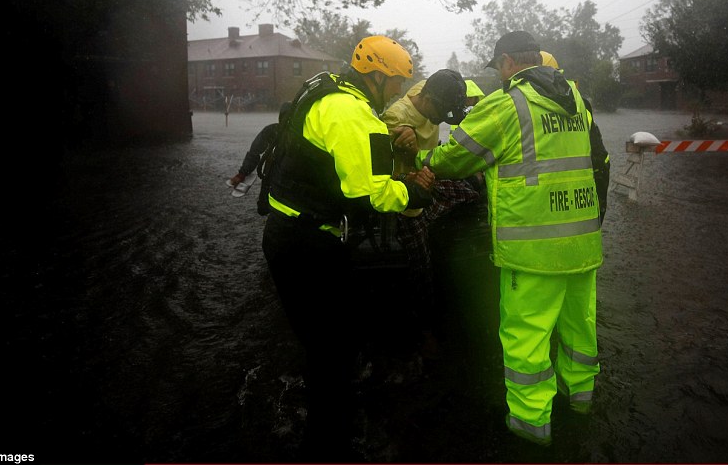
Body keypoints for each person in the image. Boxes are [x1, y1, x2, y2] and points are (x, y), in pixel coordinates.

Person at [415, 30, 610, 447]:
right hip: (582, 241)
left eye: (498, 66)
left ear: (506, 62)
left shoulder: (507, 103)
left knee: (527, 337)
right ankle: (580, 400)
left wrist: (420, 160)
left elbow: (455, 157)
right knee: (579, 329)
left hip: (532, 250)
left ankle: (530, 424)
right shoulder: (575, 97)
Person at [260, 35, 436, 459]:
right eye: (395, 82)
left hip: (287, 232)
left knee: (326, 340)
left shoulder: (325, 88)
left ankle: (321, 420)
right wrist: (415, 195)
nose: (397, 92)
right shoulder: (355, 114)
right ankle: (327, 445)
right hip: (308, 244)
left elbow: (335, 160)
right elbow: (370, 194)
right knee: (332, 350)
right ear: (376, 74)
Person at [381, 69, 475, 359]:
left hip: (429, 179)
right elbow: (381, 174)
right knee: (422, 267)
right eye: (442, 111)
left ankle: (438, 226)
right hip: (405, 196)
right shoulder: (397, 118)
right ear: (429, 98)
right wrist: (411, 172)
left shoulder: (428, 90)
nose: (442, 118)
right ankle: (424, 333)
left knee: (475, 185)